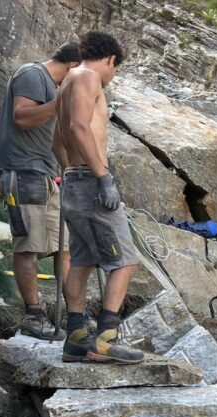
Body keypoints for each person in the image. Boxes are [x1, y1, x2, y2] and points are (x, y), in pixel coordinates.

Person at [54, 31, 142, 364]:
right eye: (115, 69)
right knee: (125, 261)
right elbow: (78, 127)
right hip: (91, 183)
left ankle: (76, 338)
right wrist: (102, 177)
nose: (112, 76)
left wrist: (73, 174)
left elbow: (56, 141)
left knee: (82, 260)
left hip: (75, 181)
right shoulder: (88, 76)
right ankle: (105, 340)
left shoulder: (66, 83)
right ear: (110, 60)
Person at [0, 42, 81, 339]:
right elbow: (23, 117)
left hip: (45, 174)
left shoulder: (53, 88)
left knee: (63, 248)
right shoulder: (32, 74)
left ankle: (75, 318)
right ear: (72, 65)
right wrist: (62, 101)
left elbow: (56, 139)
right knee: (29, 244)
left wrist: (73, 172)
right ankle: (34, 315)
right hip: (21, 171)